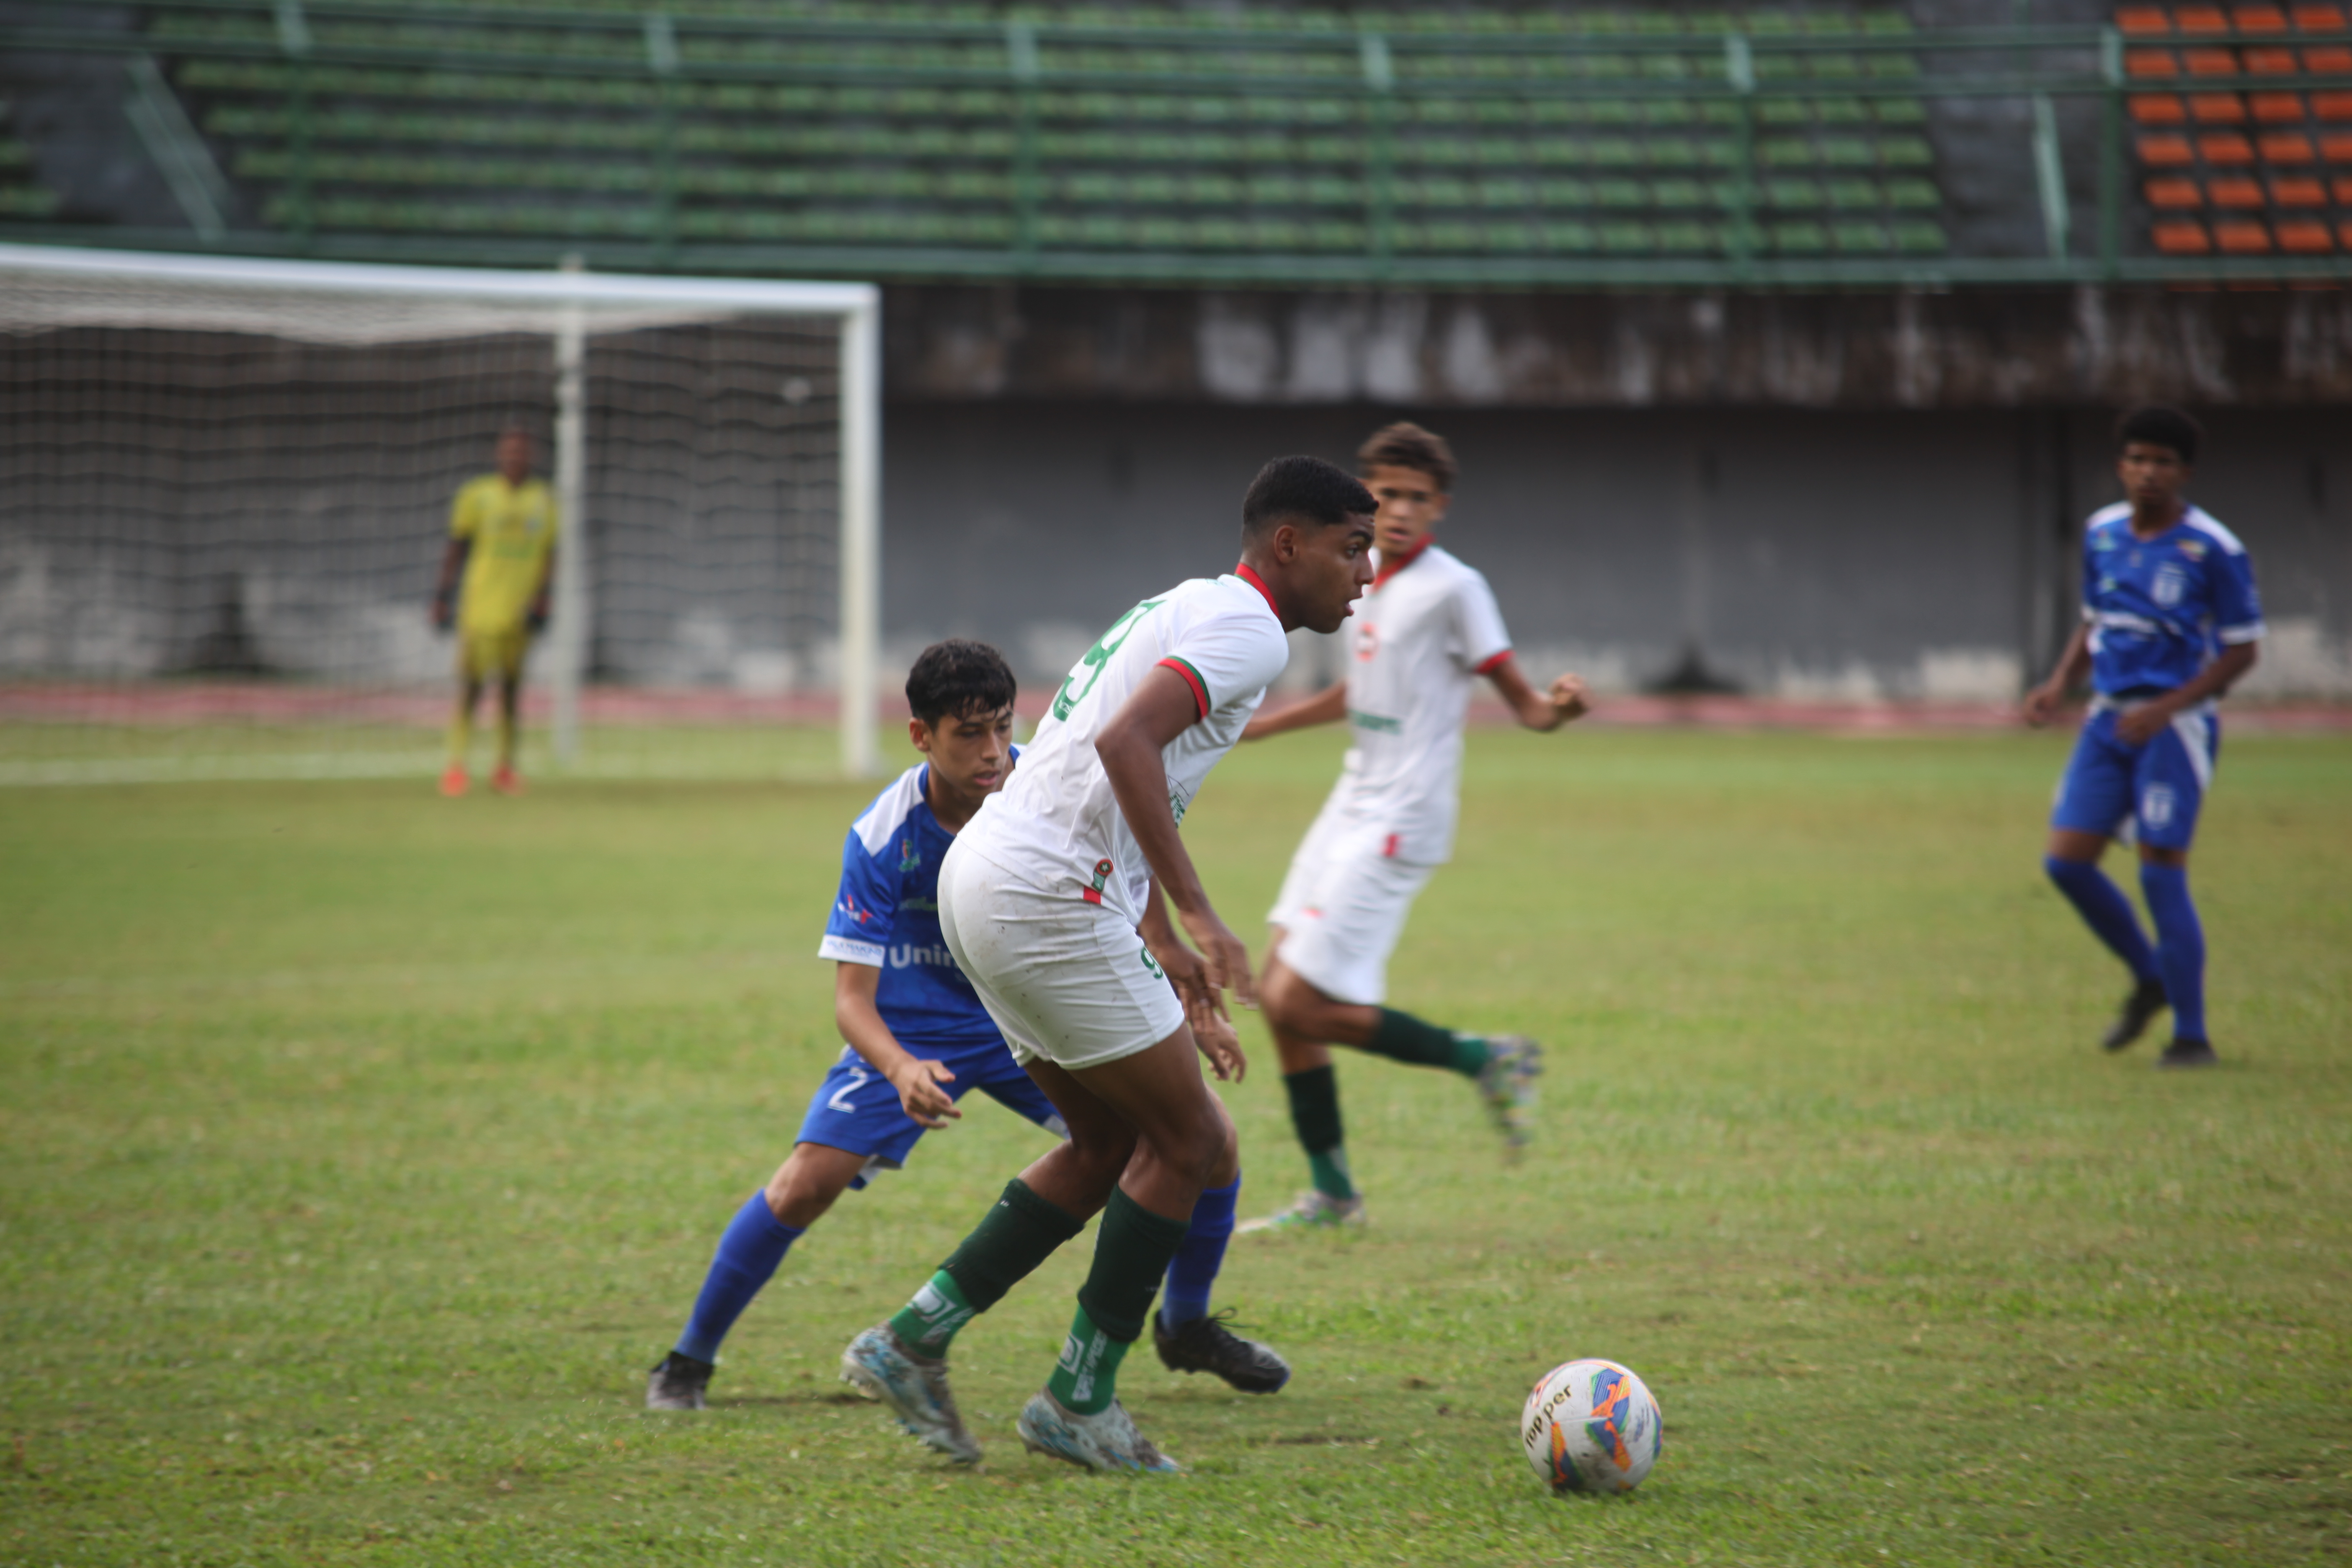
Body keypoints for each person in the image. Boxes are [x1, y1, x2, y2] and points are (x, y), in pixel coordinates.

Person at [838, 456, 1376, 1474]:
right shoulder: (1251, 628)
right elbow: (1130, 743)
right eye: (1354, 548)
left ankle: (911, 1336)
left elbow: (1100, 764)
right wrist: (1200, 912)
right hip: (1045, 891)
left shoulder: (1187, 602)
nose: (1365, 574)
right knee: (1191, 1137)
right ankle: (1078, 1398)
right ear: (1289, 544)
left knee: (1104, 1142)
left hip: (991, 877)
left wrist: (1162, 944)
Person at [647, 640, 1282, 1413]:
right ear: (921, 735)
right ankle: (687, 1359)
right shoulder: (885, 833)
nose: (992, 753)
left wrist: (1188, 1007)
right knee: (803, 1183)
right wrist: (899, 1067)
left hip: (1034, 1009)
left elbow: (1126, 884)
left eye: (1001, 728)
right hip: (919, 1030)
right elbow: (852, 999)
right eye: (967, 734)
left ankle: (1185, 1323)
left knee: (1209, 1137)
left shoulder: (1045, 785)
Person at [1235, 422, 1589, 1234]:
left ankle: (1485, 1058)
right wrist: (1266, 725)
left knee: (1294, 998)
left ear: (1441, 508)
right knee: (1279, 998)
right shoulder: (1362, 576)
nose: (1398, 510)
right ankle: (1333, 1196)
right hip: (1351, 802)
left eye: (1416, 498)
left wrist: (1559, 711)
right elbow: (1363, 691)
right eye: (1385, 494)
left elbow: (1525, 702)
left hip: (1404, 814)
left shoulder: (1455, 589)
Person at [2024, 407, 2263, 1069]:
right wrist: (2059, 683)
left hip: (2175, 728)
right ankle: (2150, 975)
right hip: (2108, 719)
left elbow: (2244, 651)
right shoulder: (2102, 533)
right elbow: (2094, 622)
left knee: (2161, 872)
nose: (2147, 473)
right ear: (2120, 465)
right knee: (2066, 863)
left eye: (2162, 461)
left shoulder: (2213, 548)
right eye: (2136, 459)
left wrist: (2170, 707)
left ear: (2185, 472)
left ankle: (2192, 1036)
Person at [432, 427, 556, 797]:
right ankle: (455, 767)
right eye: (509, 450)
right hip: (480, 608)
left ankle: (504, 767)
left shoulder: (544, 500)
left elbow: (552, 554)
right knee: (471, 688)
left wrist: (544, 597)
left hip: (519, 612)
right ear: (499, 455)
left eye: (522, 450)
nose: (515, 457)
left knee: (512, 691)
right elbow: (457, 546)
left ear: (531, 455)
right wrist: (442, 595)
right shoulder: (477, 495)